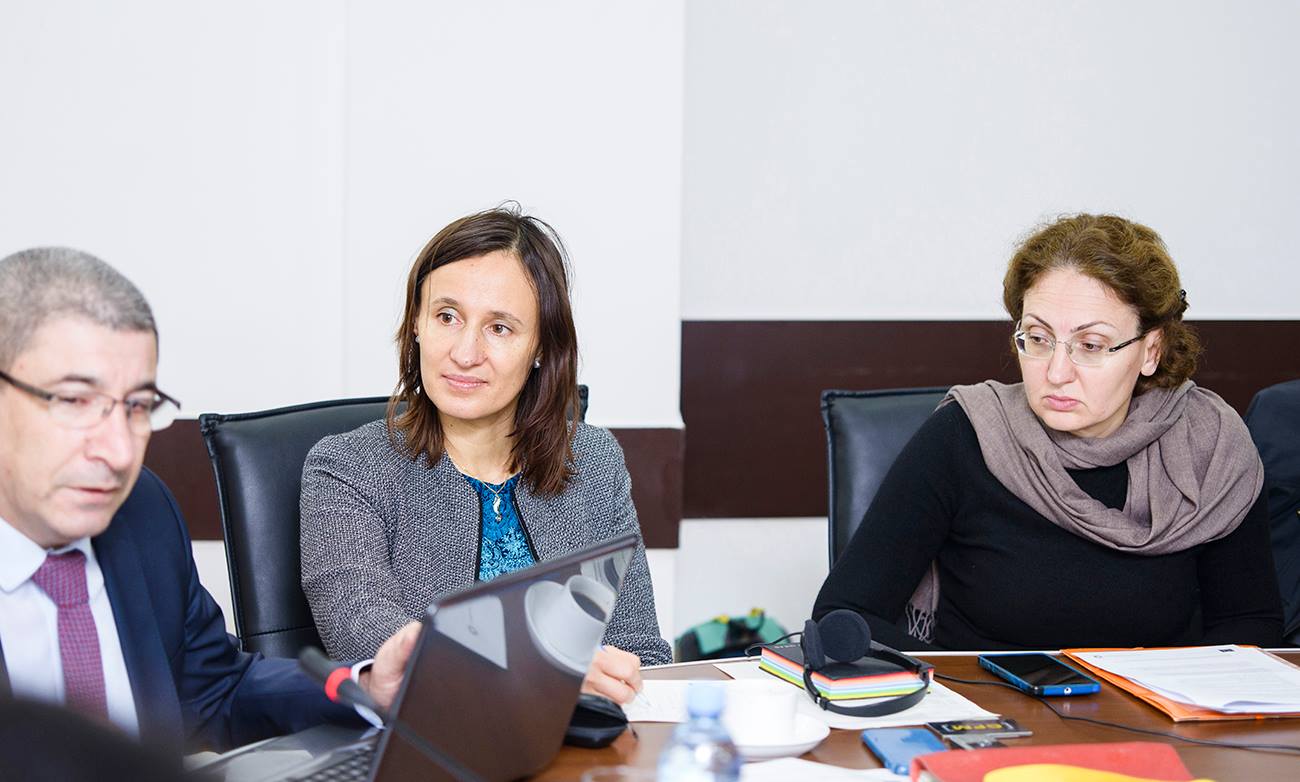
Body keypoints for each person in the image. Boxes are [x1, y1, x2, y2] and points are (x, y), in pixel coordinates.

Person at [0, 247, 420, 752]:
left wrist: (366, 688)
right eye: (73, 401)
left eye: (138, 406)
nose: (118, 452)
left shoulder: (142, 510)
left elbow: (217, 691)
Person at [814, 214, 1283, 651]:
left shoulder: (1210, 445)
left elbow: (1250, 624)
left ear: (1151, 351)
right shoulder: (966, 434)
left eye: (1091, 345)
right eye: (1038, 339)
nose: (1056, 372)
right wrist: (964, 692)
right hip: (986, 707)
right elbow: (845, 613)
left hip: (1158, 712)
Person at [300, 206, 672, 704]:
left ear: (541, 347)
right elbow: (377, 648)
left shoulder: (593, 461)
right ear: (416, 324)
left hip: (584, 741)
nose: (465, 353)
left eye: (499, 328)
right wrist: (549, 675)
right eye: (447, 317)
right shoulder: (346, 468)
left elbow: (641, 652)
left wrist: (615, 680)